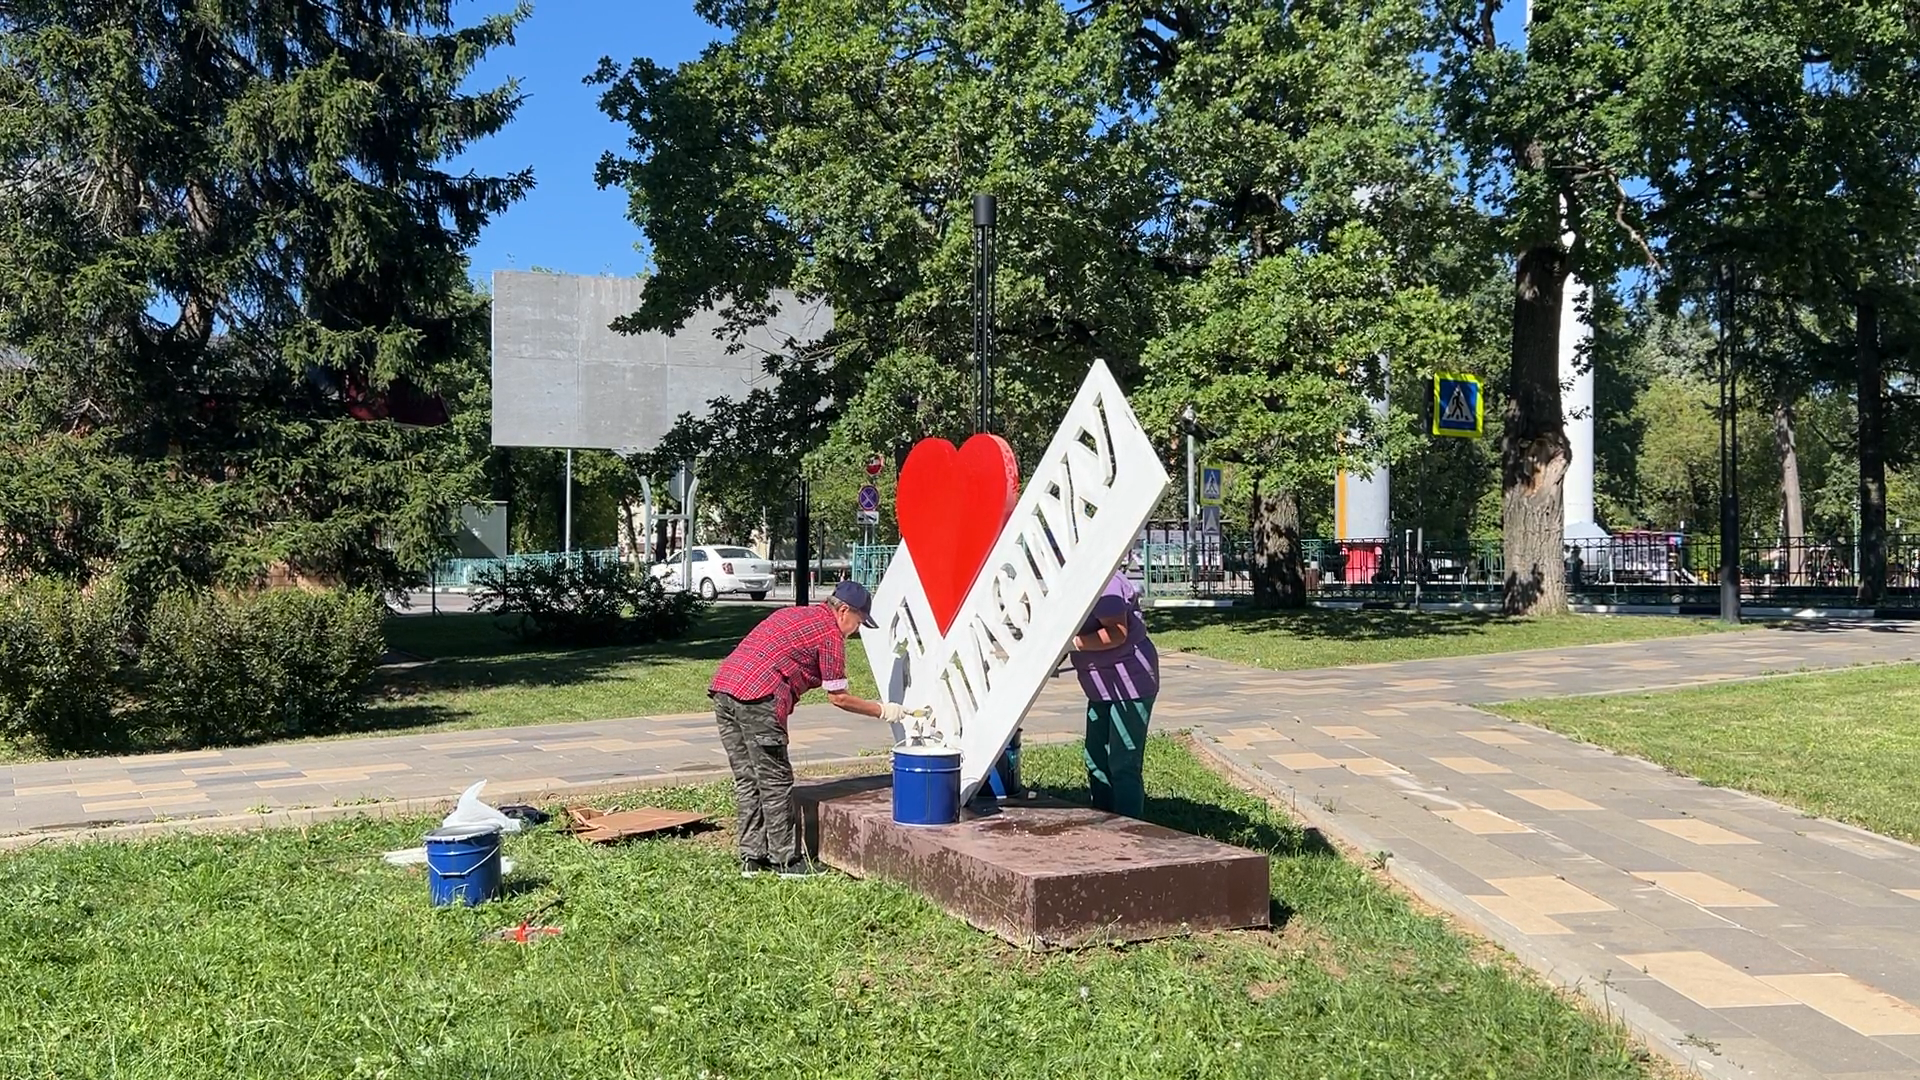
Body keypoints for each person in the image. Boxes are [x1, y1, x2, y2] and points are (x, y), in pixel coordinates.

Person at [709, 580, 905, 878]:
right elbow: (838, 697)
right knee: (775, 780)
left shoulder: (794, 614)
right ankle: (785, 861)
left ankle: (752, 857)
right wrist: (884, 711)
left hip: (724, 690)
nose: (856, 630)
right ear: (844, 611)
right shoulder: (830, 635)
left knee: (748, 778)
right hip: (758, 696)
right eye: (859, 622)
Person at [1067, 571, 1158, 818]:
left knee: (1123, 762)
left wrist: (1071, 643)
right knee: (1095, 758)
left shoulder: (1106, 582)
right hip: (1099, 684)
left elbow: (1117, 632)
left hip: (1131, 682)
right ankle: (1104, 819)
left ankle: (1129, 828)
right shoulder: (1071, 579)